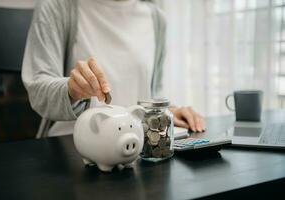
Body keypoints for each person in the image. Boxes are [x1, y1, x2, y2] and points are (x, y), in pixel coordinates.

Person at [22, 0, 205, 137]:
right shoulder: (57, 6)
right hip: (71, 147)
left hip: (136, 146)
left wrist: (166, 111)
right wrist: (71, 90)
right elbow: (38, 88)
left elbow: (151, 90)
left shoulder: (156, 18)